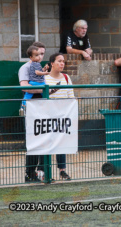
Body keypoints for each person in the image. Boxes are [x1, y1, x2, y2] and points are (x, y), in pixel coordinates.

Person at [18, 41, 47, 182]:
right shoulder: (25, 68)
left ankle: (41, 171)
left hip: (43, 107)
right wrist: (44, 90)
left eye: (42, 54)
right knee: (32, 140)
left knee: (44, 139)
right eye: (38, 54)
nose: (40, 57)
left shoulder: (40, 68)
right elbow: (24, 87)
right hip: (31, 107)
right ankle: (29, 173)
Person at [44, 53, 75, 181]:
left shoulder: (66, 78)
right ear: (52, 63)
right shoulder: (45, 79)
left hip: (62, 115)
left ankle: (62, 170)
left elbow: (71, 97)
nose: (62, 63)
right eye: (59, 61)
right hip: (47, 115)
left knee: (61, 143)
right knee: (46, 143)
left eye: (63, 61)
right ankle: (44, 171)